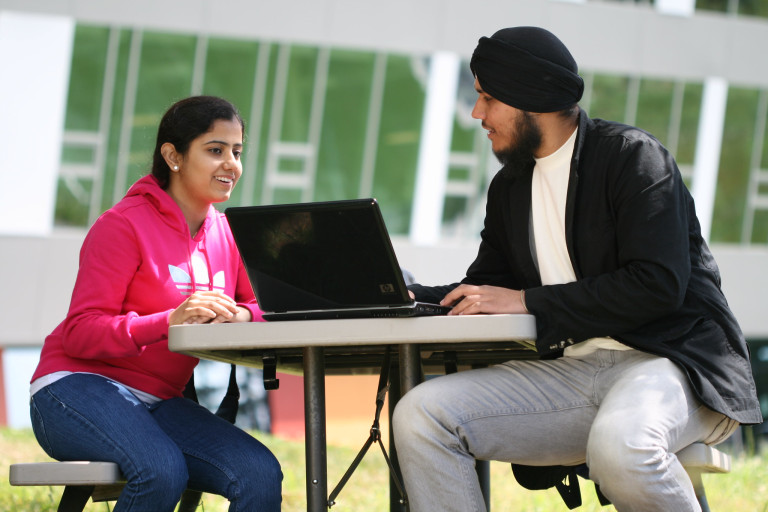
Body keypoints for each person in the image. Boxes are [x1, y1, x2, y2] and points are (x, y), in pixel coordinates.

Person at [392, 26, 762, 512]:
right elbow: (486, 289)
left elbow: (657, 285)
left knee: (623, 447)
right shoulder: (509, 188)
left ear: (530, 98)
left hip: (674, 364)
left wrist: (527, 301)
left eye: (487, 98)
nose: (476, 113)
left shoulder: (633, 158)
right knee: (422, 415)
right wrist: (394, 292)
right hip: (573, 373)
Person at [29, 96, 282, 511]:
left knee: (259, 472)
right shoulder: (123, 225)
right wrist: (169, 321)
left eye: (237, 152)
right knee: (161, 470)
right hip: (74, 388)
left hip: (161, 401)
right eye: (215, 150)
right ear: (173, 155)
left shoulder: (228, 235)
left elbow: (266, 307)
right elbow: (79, 333)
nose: (231, 164)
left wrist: (241, 314)